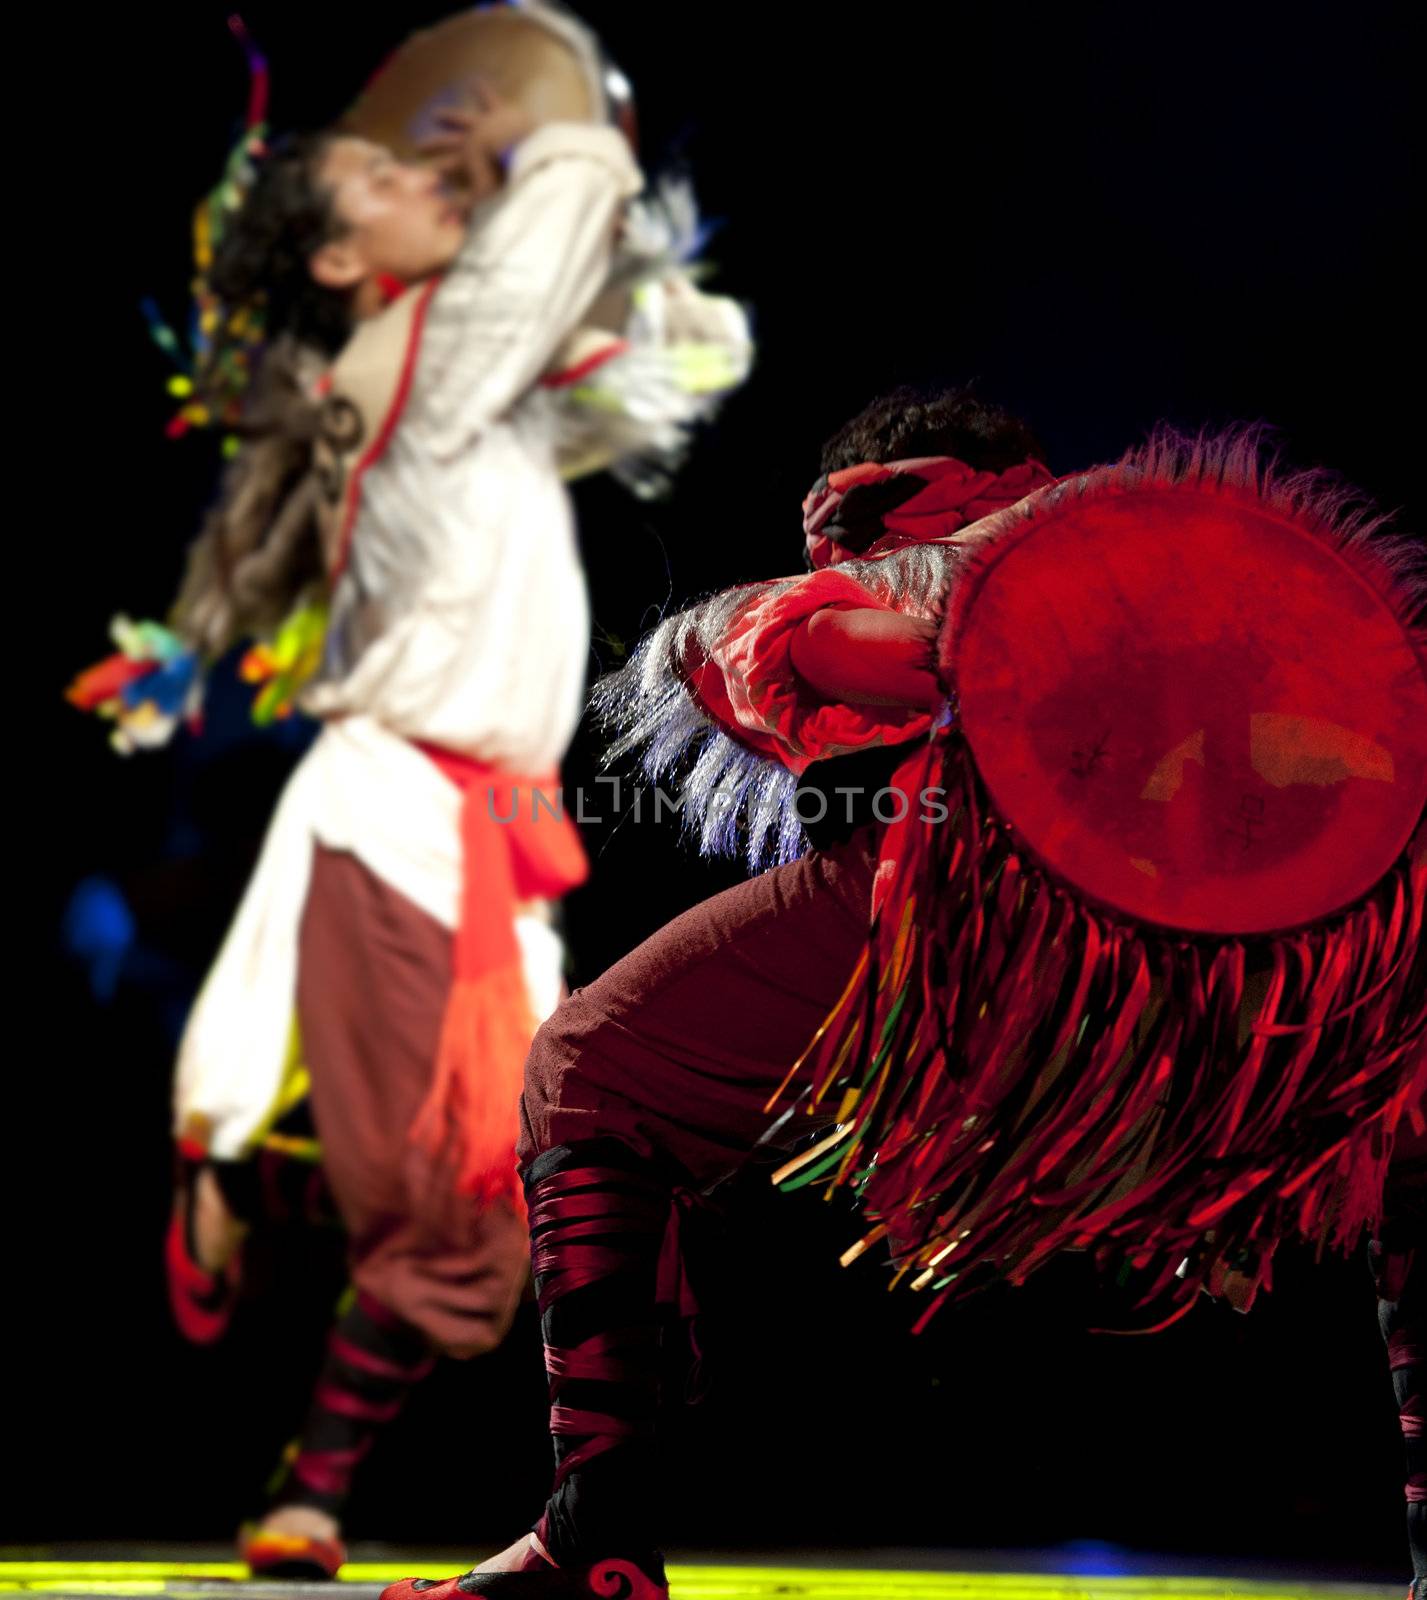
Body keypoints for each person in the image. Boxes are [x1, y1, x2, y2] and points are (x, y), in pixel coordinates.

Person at [377, 388, 1427, 1600]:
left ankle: (595, 1529)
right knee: (1401, 1130)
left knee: (590, 1067)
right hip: (1267, 975)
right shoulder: (1185, 556)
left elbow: (866, 653)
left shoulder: (921, 571)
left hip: (1004, 930)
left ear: (859, 509)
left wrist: (989, 646)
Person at [70, 5, 751, 1575]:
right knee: (463, 1200)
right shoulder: (416, 353)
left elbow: (696, 355)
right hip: (397, 822)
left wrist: (622, 254)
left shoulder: (469, 377)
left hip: (495, 835)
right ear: (335, 264)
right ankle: (237, 1184)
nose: (423, 166)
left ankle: (294, 1413)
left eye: (423, 149)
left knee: (528, 1173)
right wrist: (556, 137)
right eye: (385, 169)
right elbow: (542, 236)